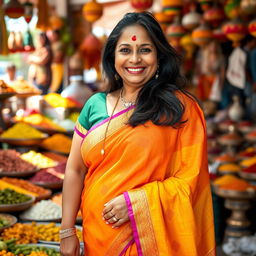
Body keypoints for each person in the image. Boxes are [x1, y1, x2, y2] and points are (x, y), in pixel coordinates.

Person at [60, 12, 216, 256]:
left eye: (145, 50)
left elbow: (191, 180)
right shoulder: (95, 105)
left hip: (154, 241)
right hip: (98, 238)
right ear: (112, 56)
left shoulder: (180, 108)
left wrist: (137, 204)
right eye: (125, 50)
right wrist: (67, 230)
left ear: (158, 56)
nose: (135, 59)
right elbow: (75, 169)